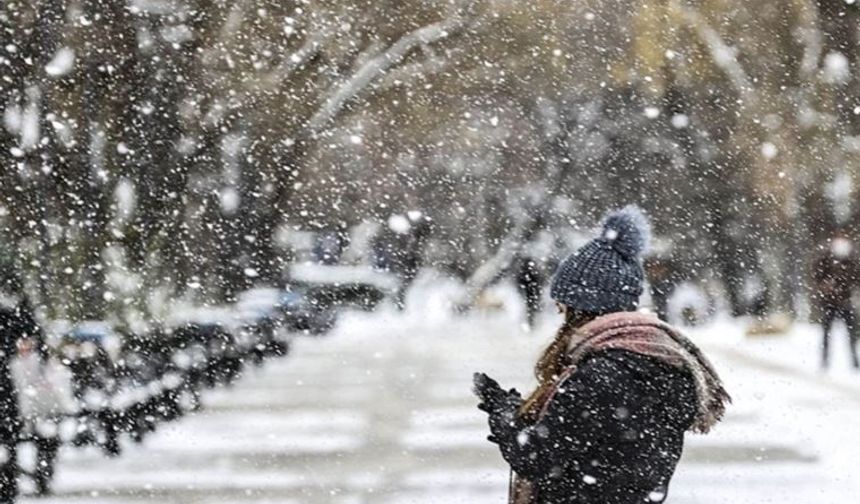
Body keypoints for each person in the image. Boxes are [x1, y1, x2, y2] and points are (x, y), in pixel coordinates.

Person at [473, 206, 730, 504]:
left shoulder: (600, 375)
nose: (561, 314)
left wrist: (504, 415)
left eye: (564, 306)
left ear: (582, 307)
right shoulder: (661, 362)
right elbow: (595, 441)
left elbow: (537, 457)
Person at [813, 232, 860, 369]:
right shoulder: (825, 258)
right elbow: (816, 274)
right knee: (826, 333)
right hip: (829, 302)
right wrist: (824, 286)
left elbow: (856, 278)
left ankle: (854, 362)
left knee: (851, 333)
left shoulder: (851, 259)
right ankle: (825, 360)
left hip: (845, 301)